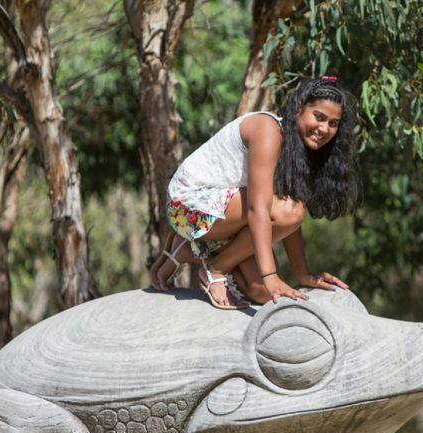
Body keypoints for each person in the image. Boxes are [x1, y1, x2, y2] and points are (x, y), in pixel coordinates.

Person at [150, 76, 358, 309]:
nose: (324, 129)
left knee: (261, 294)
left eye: (333, 123)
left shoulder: (299, 148)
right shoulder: (268, 130)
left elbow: (286, 220)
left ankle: (186, 249)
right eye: (318, 117)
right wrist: (271, 276)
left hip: (224, 209)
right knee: (290, 211)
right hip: (187, 205)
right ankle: (215, 268)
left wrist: (303, 275)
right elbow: (261, 209)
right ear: (299, 107)